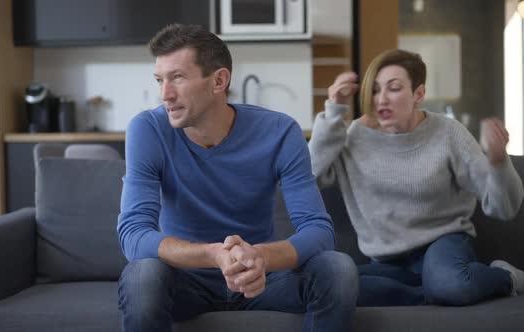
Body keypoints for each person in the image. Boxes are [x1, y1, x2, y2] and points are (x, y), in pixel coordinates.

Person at [116, 24, 357, 331]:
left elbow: (319, 230)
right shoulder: (148, 130)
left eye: (177, 77)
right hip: (185, 283)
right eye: (159, 80)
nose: (165, 94)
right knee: (142, 275)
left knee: (338, 268)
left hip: (260, 280)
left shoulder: (280, 131)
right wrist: (214, 254)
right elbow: (133, 234)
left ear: (219, 80)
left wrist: (260, 257)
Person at [308, 49, 524, 307]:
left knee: (449, 283)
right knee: (333, 285)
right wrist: (333, 112)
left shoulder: (448, 133)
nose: (381, 99)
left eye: (393, 88)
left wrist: (498, 162)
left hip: (444, 243)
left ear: (418, 94)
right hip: (388, 261)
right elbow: (308, 178)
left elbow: (503, 207)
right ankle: (432, 289)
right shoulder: (355, 137)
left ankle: (505, 277)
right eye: (374, 90)